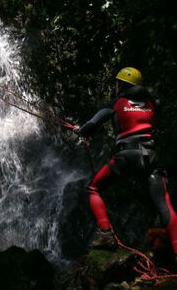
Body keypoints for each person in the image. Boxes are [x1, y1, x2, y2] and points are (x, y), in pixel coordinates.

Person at [75, 67, 177, 258]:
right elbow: (159, 103)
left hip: (127, 156)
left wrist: (80, 130)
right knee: (165, 204)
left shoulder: (116, 103)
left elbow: (91, 126)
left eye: (117, 83)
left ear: (121, 84)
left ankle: (106, 234)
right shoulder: (151, 103)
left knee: (93, 188)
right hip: (151, 157)